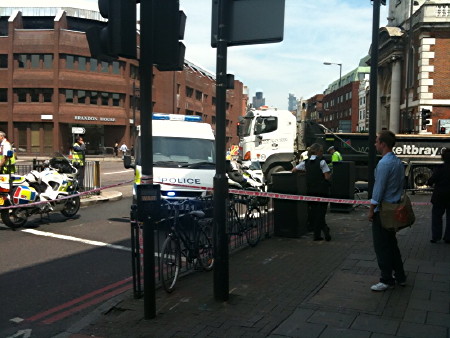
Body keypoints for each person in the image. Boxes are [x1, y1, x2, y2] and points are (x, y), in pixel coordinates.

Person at [368, 130, 406, 291]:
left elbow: (379, 189)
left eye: (377, 141)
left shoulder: (384, 163)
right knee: (391, 244)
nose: (375, 144)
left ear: (383, 144)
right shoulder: (397, 162)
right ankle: (400, 276)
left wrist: (371, 209)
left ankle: (386, 279)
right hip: (394, 208)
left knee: (382, 246)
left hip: (383, 210)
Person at [292, 143, 331, 241]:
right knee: (321, 213)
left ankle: (318, 234)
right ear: (317, 152)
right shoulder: (322, 162)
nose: (322, 153)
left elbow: (293, 170)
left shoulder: (305, 162)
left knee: (314, 213)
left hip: (310, 191)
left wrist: (305, 173)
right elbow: (327, 177)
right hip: (322, 192)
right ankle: (324, 230)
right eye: (321, 151)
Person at [427, 147, 450, 244]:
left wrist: (429, 183)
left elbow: (432, 180)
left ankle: (436, 237)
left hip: (439, 196)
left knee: (437, 216)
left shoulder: (440, 168)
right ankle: (448, 237)